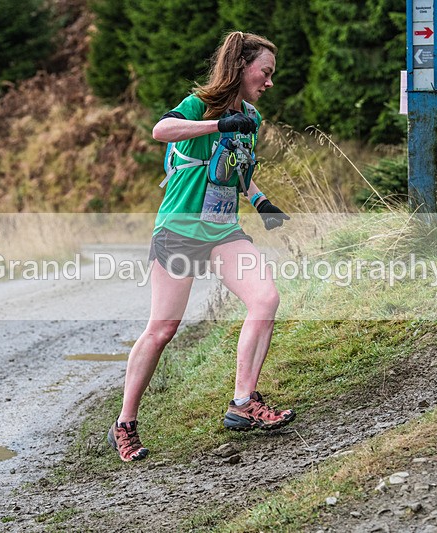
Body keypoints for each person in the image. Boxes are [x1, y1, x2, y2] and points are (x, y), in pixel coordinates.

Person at [108, 31, 295, 462]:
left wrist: (262, 200)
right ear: (241, 67)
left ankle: (244, 401)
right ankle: (125, 422)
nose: (269, 82)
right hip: (178, 230)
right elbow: (161, 130)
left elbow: (236, 167)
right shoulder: (199, 105)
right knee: (163, 330)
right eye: (264, 72)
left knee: (265, 298)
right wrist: (218, 122)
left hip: (222, 229)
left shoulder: (252, 118)